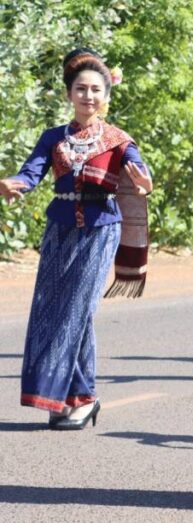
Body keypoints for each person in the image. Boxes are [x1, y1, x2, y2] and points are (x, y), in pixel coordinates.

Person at [1, 49, 152, 430]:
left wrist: (143, 182)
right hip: (59, 228)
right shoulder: (53, 137)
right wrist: (14, 184)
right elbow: (31, 173)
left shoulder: (118, 140)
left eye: (96, 89)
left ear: (107, 95)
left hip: (101, 229)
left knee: (77, 310)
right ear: (69, 93)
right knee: (51, 308)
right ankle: (72, 398)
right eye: (81, 88)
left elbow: (139, 170)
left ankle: (81, 397)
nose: (88, 96)